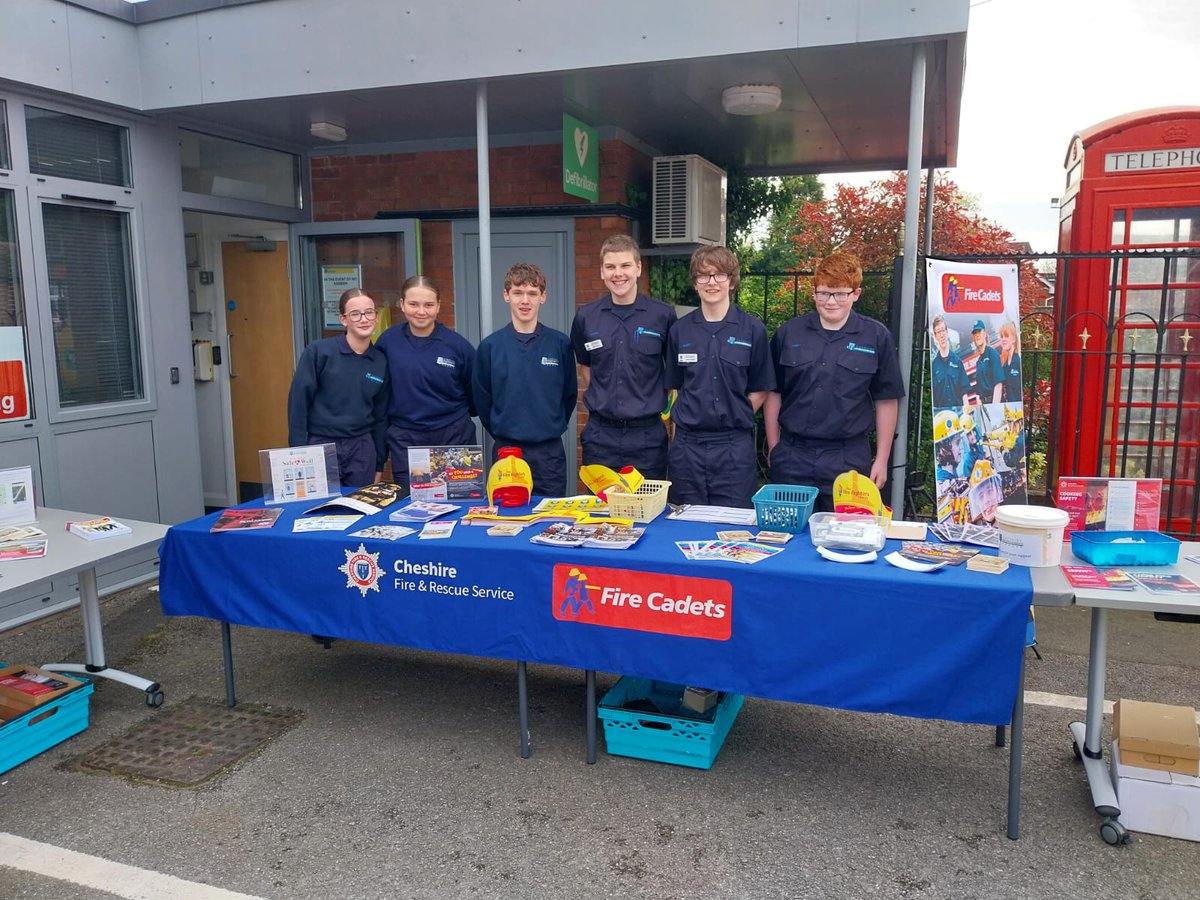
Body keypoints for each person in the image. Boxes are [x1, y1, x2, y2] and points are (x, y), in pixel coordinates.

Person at [764, 251, 905, 512]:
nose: (831, 301)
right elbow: (774, 392)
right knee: (786, 537)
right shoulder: (789, 333)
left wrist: (882, 459)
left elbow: (886, 400)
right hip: (793, 456)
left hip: (848, 458)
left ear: (856, 294)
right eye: (824, 293)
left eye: (840, 293)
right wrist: (775, 447)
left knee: (845, 539)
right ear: (814, 292)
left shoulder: (875, 337)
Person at [665, 246, 773, 508]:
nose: (711, 282)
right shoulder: (680, 330)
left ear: (732, 281)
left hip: (733, 447)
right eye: (704, 276)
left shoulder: (752, 330)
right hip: (688, 447)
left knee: (734, 524)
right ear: (695, 283)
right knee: (686, 520)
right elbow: (674, 386)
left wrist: (735, 411)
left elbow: (761, 387)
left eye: (719, 275)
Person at [570, 235, 674, 480]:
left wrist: (645, 401)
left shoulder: (662, 315)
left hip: (647, 437)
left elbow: (671, 375)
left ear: (638, 268)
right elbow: (587, 367)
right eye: (611, 267)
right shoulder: (586, 317)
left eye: (625, 265)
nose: (618, 274)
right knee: (600, 512)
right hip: (600, 436)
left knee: (648, 513)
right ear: (602, 272)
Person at [472, 263, 577, 498]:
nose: (525, 300)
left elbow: (569, 395)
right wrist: (504, 427)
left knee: (550, 520)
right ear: (506, 295)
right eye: (518, 292)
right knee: (508, 522)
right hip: (508, 451)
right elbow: (482, 399)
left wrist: (548, 422)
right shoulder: (490, 347)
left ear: (543, 297)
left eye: (532, 293)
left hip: (549, 452)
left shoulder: (560, 344)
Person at [375, 276, 477, 491]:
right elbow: (380, 392)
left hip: (453, 436)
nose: (421, 311)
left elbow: (474, 393)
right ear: (402, 304)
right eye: (413, 304)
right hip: (407, 439)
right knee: (415, 505)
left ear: (439, 306)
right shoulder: (388, 342)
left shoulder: (458, 346)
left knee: (460, 499)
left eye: (429, 305)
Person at [286, 288, 389, 487]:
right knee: (319, 510)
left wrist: (379, 463)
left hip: (362, 448)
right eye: (355, 314)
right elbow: (298, 404)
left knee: (361, 507)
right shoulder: (319, 352)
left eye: (369, 312)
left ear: (376, 317)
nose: (363, 319)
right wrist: (298, 452)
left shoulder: (380, 361)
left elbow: (381, 415)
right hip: (321, 446)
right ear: (343, 319)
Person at [930, 314, 972, 408]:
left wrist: (967, 413)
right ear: (935, 336)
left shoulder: (958, 362)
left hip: (959, 414)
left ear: (947, 332)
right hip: (941, 416)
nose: (941, 335)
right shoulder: (933, 366)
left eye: (943, 330)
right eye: (938, 332)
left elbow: (964, 393)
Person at [970, 319, 1003, 404]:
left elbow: (998, 385)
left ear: (984, 334)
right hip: (983, 405)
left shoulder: (992, 354)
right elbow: (978, 392)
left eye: (979, 332)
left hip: (994, 401)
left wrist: (994, 407)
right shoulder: (978, 362)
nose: (977, 335)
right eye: (975, 333)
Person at [998, 320, 1023, 404]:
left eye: (1006, 336)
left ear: (1013, 339)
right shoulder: (1004, 365)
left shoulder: (1018, 362)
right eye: (1002, 337)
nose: (1003, 339)